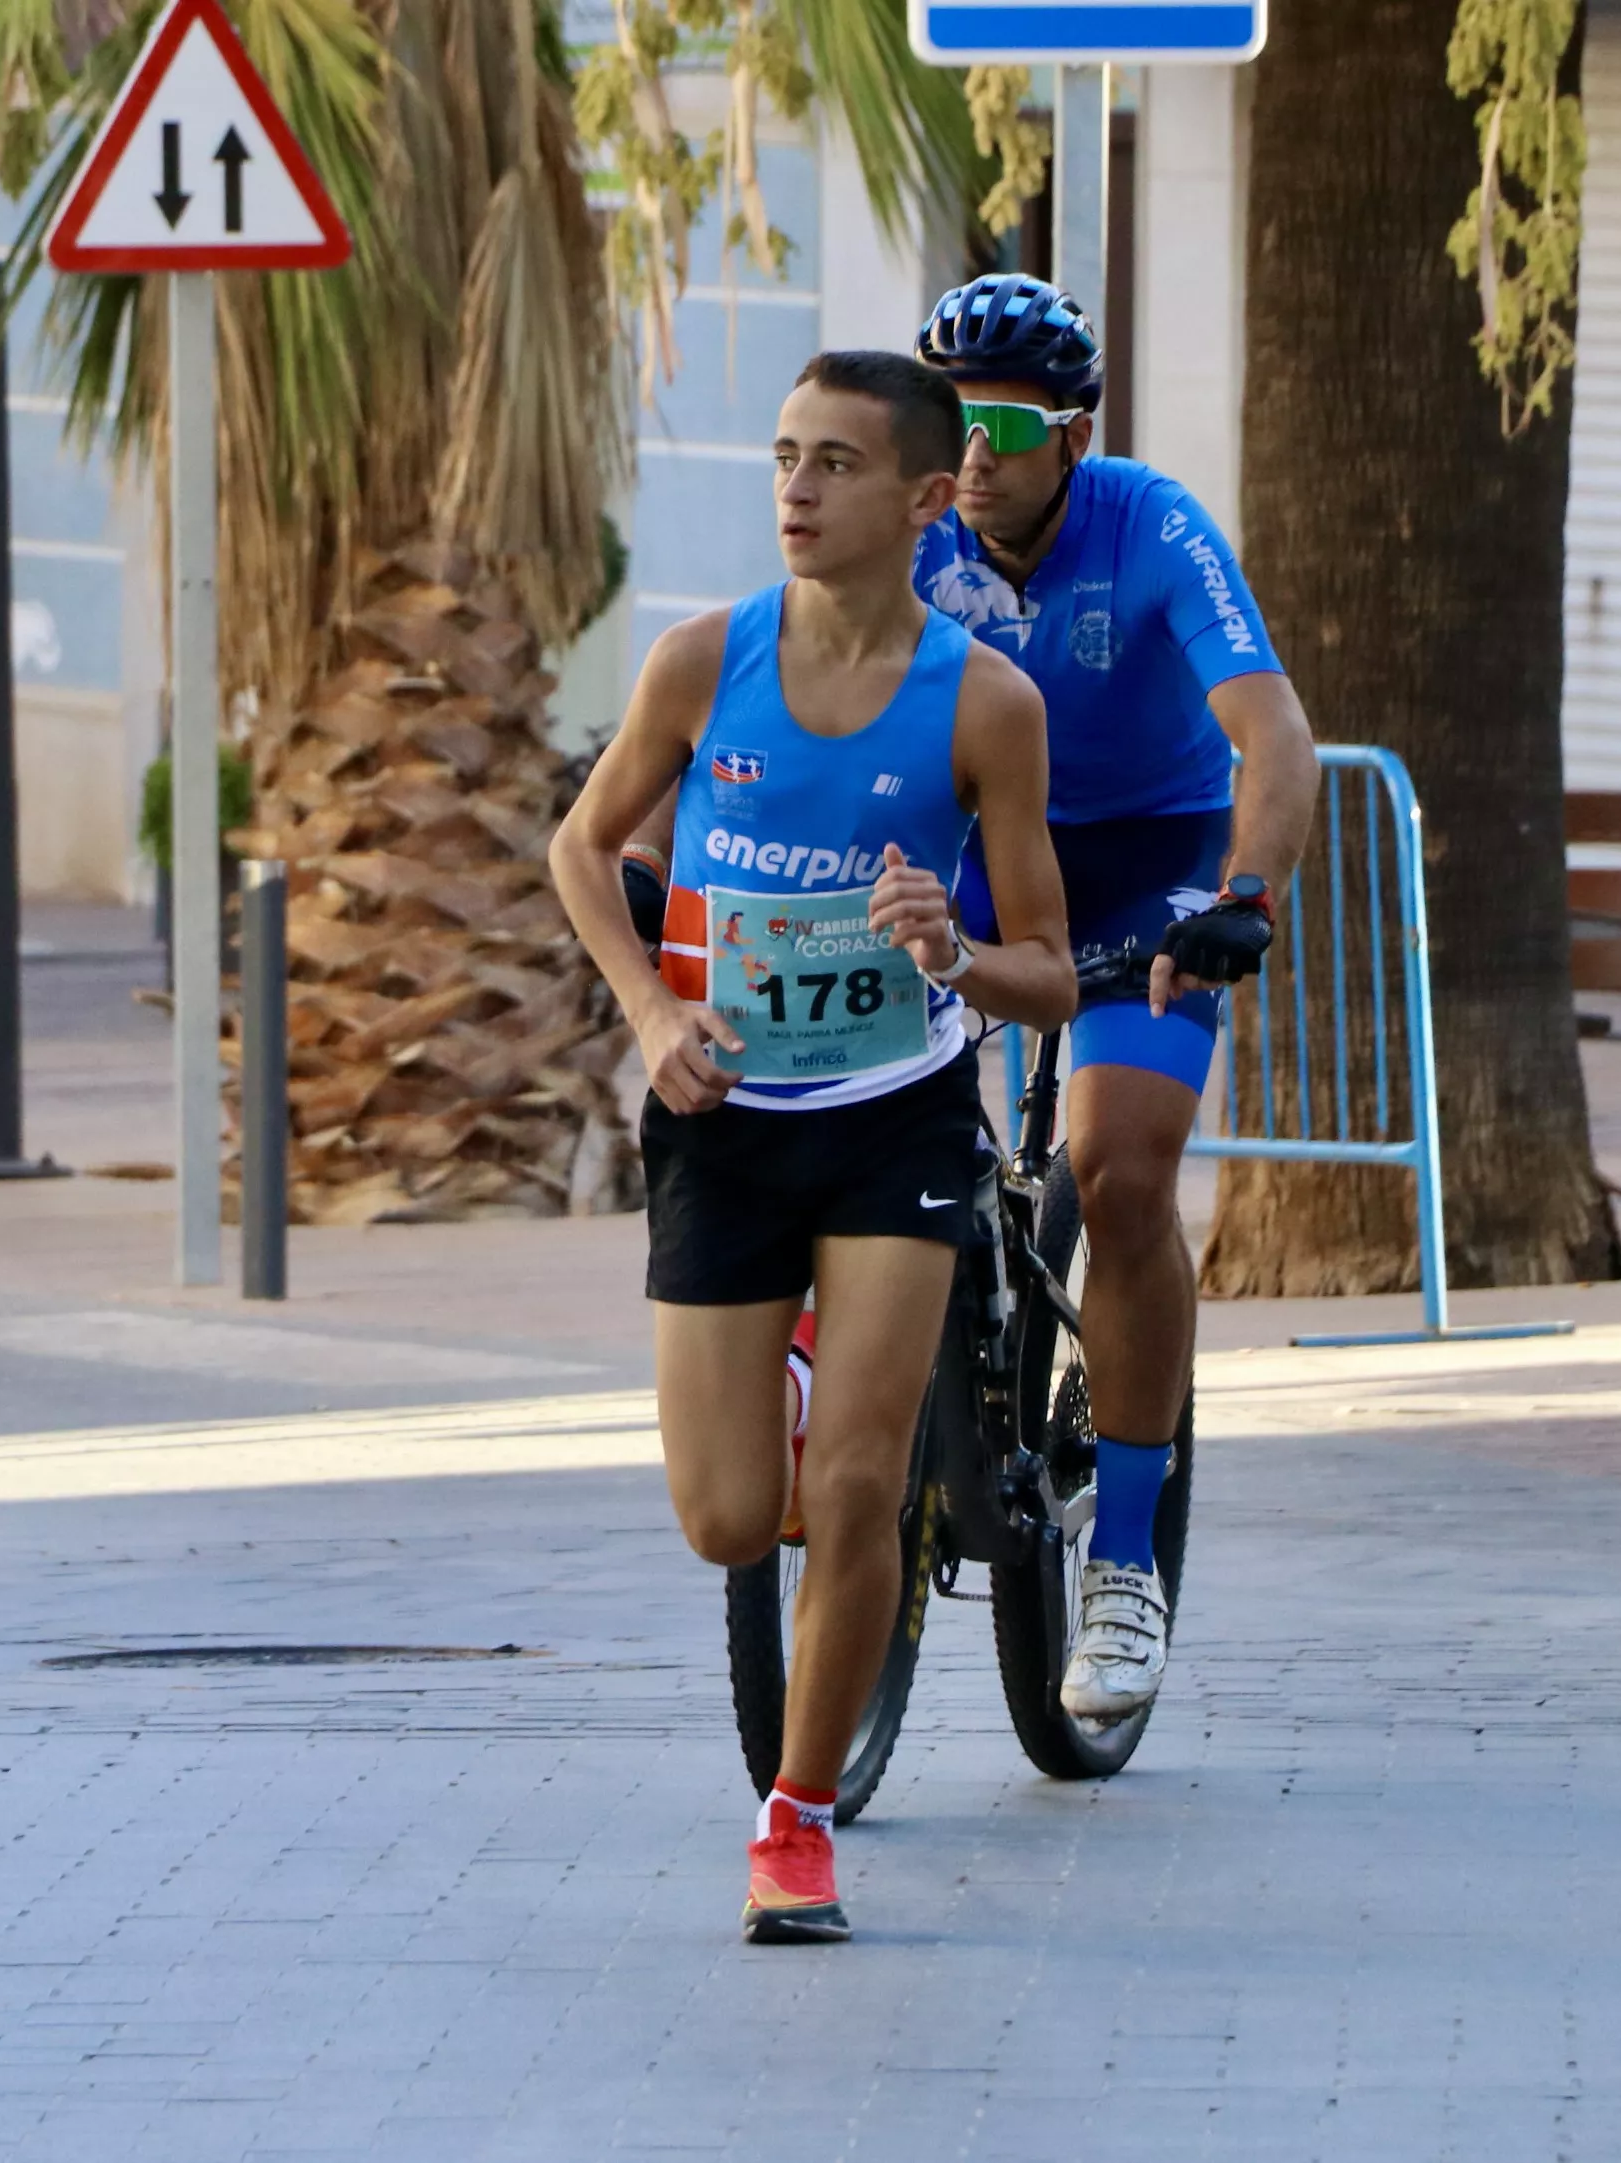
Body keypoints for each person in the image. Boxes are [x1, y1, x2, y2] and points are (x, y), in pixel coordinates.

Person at [552, 351, 1075, 1945]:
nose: (795, 487)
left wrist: (951, 953)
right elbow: (581, 847)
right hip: (723, 1117)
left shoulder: (985, 705)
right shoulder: (702, 662)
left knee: (853, 1487)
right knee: (727, 1516)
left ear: (925, 500)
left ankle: (794, 1824)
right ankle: (781, 1380)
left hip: (893, 1123)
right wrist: (648, 1013)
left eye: (836, 463)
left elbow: (1045, 969)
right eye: (784, 454)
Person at [913, 274, 1320, 1722]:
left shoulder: (1150, 524)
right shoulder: (904, 535)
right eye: (951, 421)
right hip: (971, 855)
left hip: (1146, 859)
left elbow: (1272, 734)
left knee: (1122, 1176)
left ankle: (1128, 1560)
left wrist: (1241, 899)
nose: (972, 454)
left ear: (1074, 433)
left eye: (1007, 424)